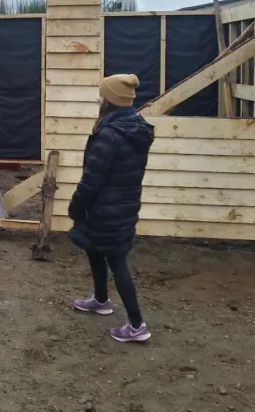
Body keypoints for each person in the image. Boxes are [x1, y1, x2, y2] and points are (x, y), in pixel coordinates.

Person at [67, 74, 155, 343]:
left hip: (107, 209)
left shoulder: (110, 135)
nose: (100, 100)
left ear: (111, 101)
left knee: (117, 261)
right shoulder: (135, 128)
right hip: (121, 206)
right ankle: (101, 300)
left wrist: (75, 207)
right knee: (94, 248)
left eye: (102, 96)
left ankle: (137, 325)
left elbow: (92, 180)